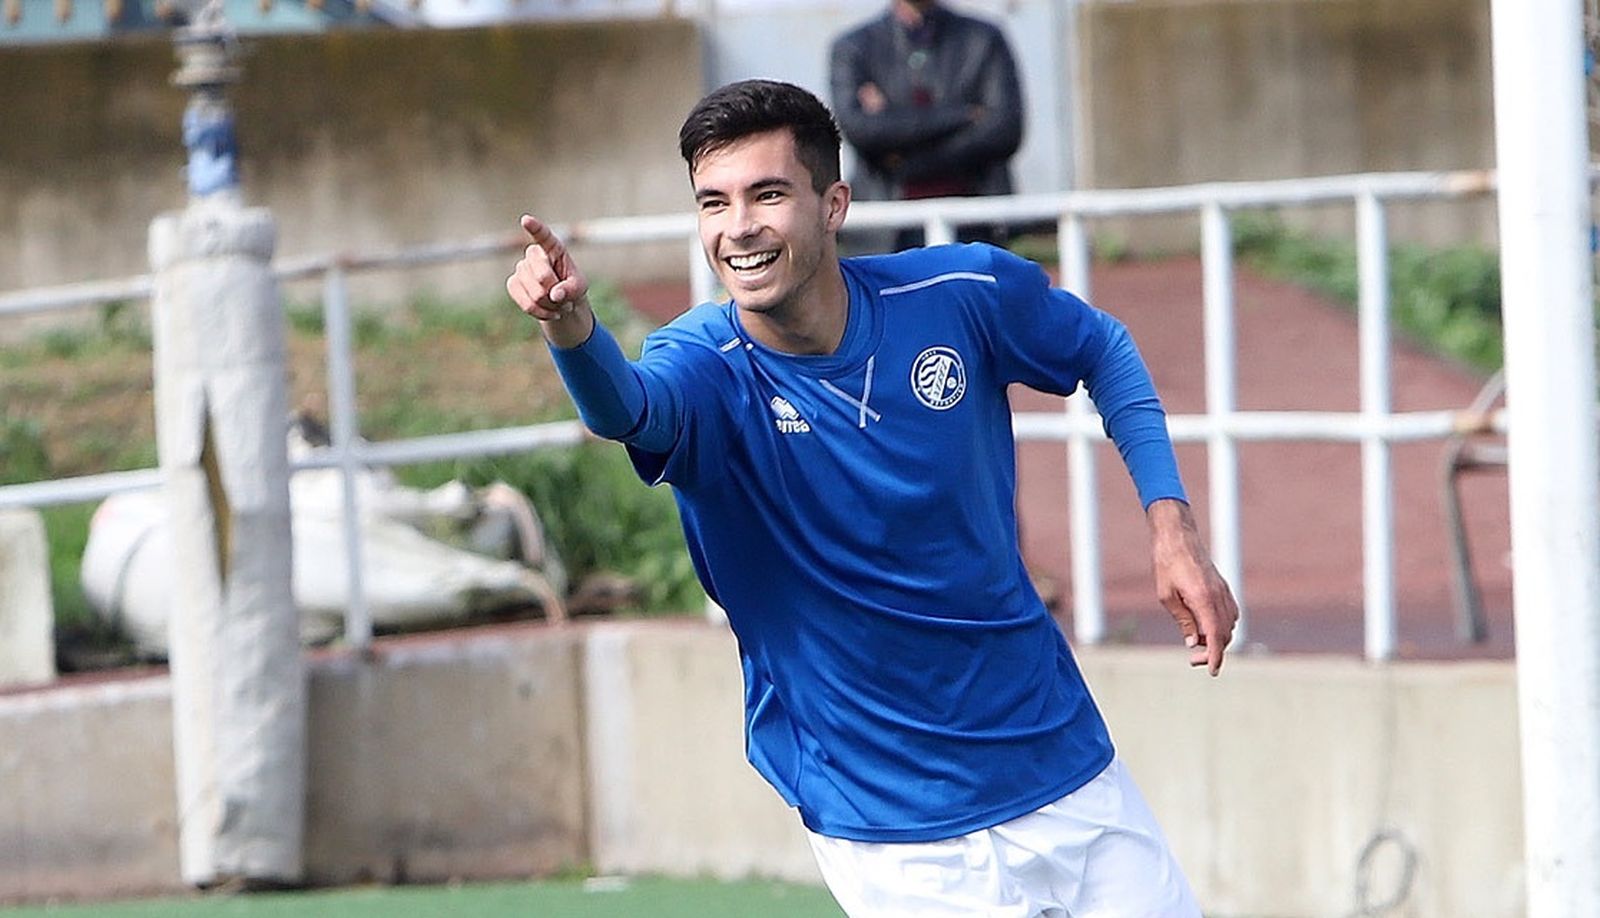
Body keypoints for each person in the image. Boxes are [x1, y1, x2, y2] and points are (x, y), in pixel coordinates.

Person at [507, 79, 1238, 917]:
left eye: (767, 194)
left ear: (834, 205)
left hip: (1060, 760)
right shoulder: (706, 363)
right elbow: (628, 411)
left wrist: (1171, 526)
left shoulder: (958, 294)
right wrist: (572, 332)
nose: (738, 226)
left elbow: (1100, 347)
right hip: (891, 828)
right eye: (713, 202)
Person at [828, 0, 1024, 251]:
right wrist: (962, 115)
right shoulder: (853, 47)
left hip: (975, 224)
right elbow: (860, 129)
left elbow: (1004, 129)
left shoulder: (984, 39)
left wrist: (901, 149)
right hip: (885, 232)